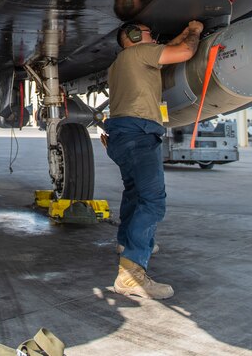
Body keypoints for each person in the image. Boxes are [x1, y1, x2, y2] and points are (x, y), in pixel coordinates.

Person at [103, 20, 202, 300]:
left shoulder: (121, 62)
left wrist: (180, 34)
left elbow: (168, 48)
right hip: (139, 135)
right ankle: (131, 275)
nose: (153, 37)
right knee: (153, 201)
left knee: (135, 194)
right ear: (134, 36)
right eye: (148, 33)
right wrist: (194, 29)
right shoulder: (139, 53)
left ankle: (127, 243)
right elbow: (183, 52)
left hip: (122, 135)